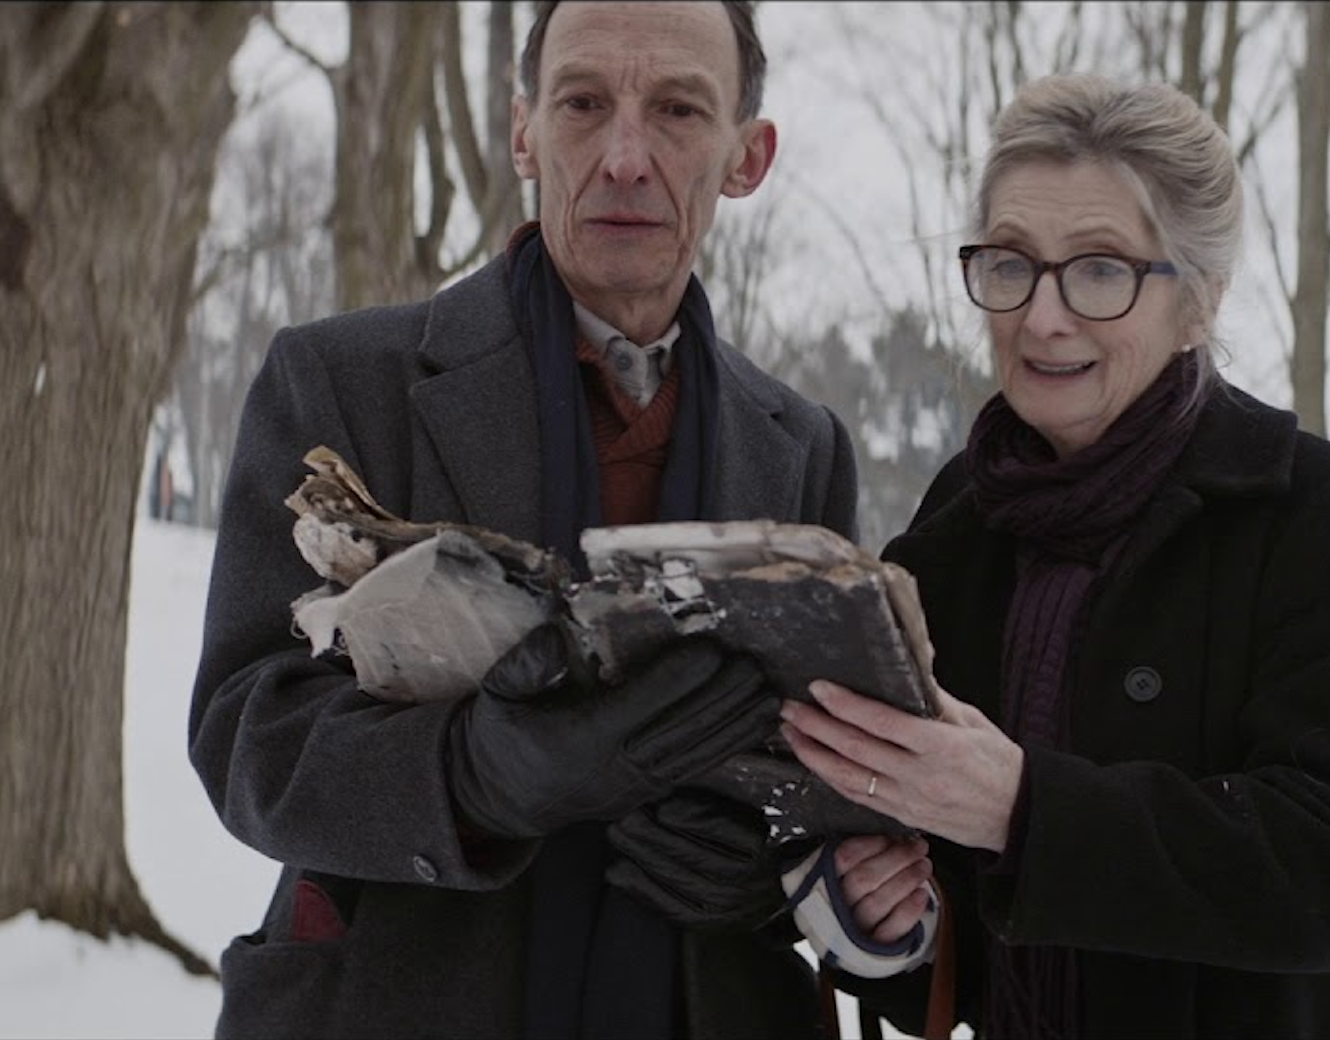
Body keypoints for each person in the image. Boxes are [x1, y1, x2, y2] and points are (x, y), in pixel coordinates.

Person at [188, 2, 929, 1036]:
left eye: (677, 109)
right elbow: (244, 730)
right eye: (584, 103)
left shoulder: (802, 445)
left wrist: (764, 877)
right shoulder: (341, 379)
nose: (625, 155)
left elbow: (816, 765)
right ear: (523, 131)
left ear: (745, 156)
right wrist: (474, 773)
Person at [779, 73, 1330, 1038]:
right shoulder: (957, 523)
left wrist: (1026, 809)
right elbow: (945, 901)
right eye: (1011, 263)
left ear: (1198, 301)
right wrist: (888, 921)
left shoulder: (1321, 518)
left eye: (1100, 268)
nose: (1043, 315)